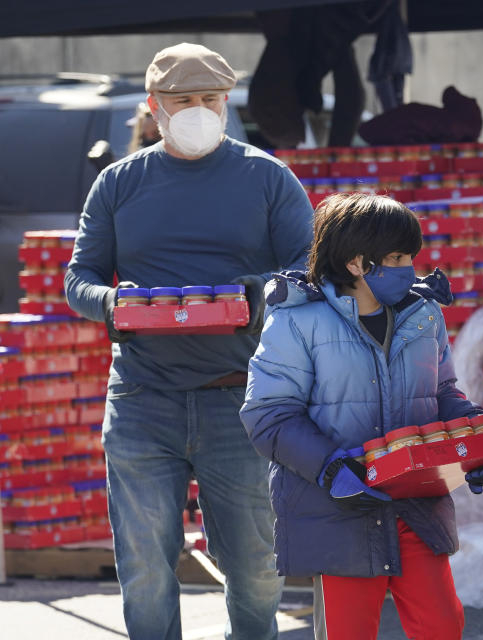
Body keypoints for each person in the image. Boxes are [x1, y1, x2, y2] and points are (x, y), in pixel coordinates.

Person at [64, 42, 314, 640]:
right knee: (146, 566)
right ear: (154, 107)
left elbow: (308, 271)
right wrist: (113, 305)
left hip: (243, 400)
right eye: (183, 101)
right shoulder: (119, 184)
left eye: (210, 99)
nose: (198, 109)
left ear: (227, 103)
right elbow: (80, 278)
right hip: (142, 399)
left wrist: (251, 296)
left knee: (255, 568)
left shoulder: (268, 178)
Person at [238, 193, 483, 640]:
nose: (409, 267)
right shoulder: (296, 321)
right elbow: (268, 414)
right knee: (349, 632)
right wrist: (332, 468)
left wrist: (478, 439)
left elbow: (442, 393)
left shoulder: (424, 315)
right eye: (397, 257)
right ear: (356, 263)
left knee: (442, 627)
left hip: (417, 505)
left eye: (410, 256)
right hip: (338, 511)